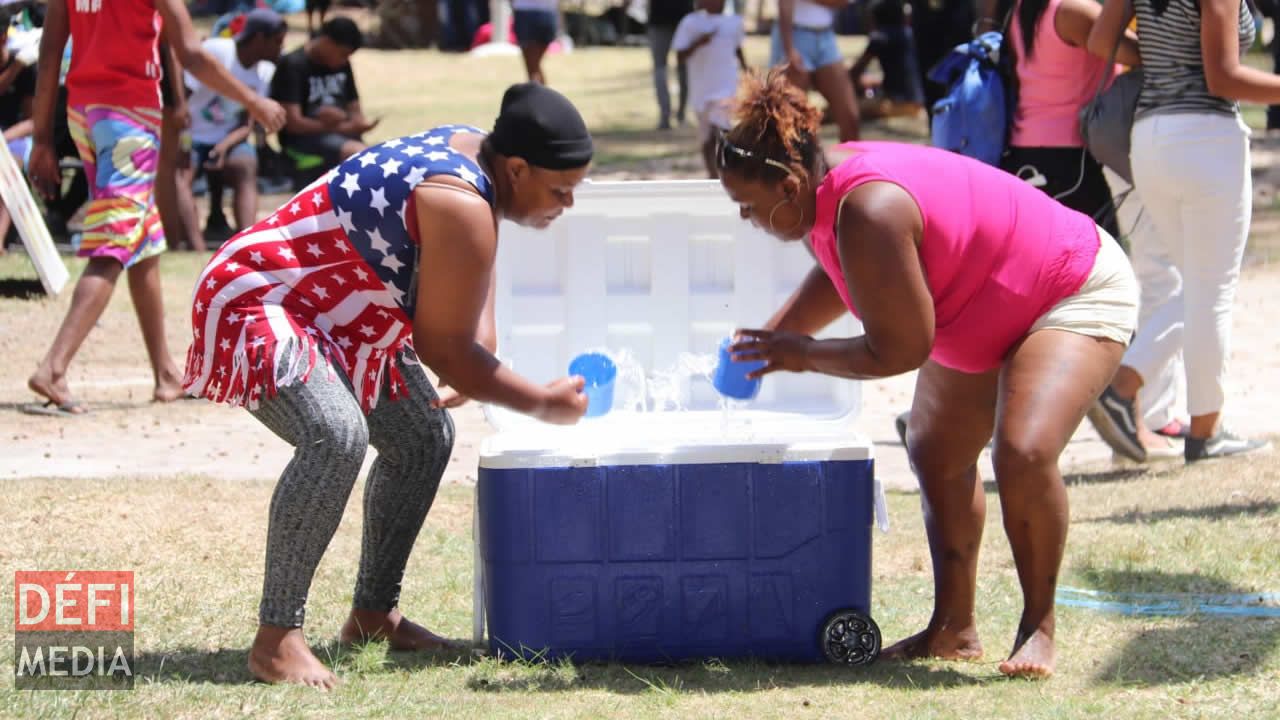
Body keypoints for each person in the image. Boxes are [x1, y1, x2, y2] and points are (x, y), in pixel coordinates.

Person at [719, 70, 1137, 678]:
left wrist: (800, 352)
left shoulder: (869, 208)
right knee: (936, 449)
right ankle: (953, 628)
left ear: (787, 185)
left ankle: (1037, 627)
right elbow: (847, 273)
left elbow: (898, 350)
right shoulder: (826, 193)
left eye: (747, 206)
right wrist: (773, 337)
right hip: (987, 301)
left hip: (1069, 287)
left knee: (1021, 451)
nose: (744, 219)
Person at [183, 83, 593, 689]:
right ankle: (275, 639)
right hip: (262, 297)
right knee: (334, 434)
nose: (568, 203)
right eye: (561, 189)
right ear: (517, 168)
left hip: (340, 312)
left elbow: (475, 269)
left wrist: (480, 356)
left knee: (422, 436)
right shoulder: (460, 198)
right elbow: (442, 345)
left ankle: (373, 614)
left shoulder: (479, 154)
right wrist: (541, 403)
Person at [23, 0, 286, 416]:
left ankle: (166, 374)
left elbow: (51, 51)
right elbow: (192, 54)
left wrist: (41, 139)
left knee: (141, 240)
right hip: (128, 118)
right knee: (113, 241)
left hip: (85, 116)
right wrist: (253, 101)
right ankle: (53, 368)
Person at [1085, 0, 1274, 462]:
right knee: (1211, 291)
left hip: (1149, 139)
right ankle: (1203, 430)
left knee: (1198, 290)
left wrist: (1165, 58)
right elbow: (1223, 78)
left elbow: (1099, 40)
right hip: (1205, 139)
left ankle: (1126, 390)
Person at [994, 0, 1137, 236]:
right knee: (1099, 263)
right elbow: (1138, 53)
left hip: (1024, 151)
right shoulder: (1074, 11)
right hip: (1070, 157)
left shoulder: (1024, 8)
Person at [174, 8, 286, 250]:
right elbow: (182, 102)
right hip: (189, 133)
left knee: (246, 165)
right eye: (277, 42)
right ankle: (196, 246)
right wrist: (182, 141)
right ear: (258, 39)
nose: (281, 48)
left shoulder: (265, 71)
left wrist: (223, 147)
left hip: (228, 138)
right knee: (181, 176)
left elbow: (247, 123)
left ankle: (248, 243)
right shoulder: (218, 51)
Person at [270, 16, 374, 172]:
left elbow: (355, 110)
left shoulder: (343, 65)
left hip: (340, 134)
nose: (344, 60)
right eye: (343, 54)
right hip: (303, 140)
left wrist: (349, 120)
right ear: (327, 41)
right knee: (358, 154)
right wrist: (341, 126)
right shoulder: (293, 65)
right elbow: (292, 124)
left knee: (381, 156)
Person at [673, 0, 746, 177]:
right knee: (707, 137)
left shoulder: (734, 22)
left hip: (726, 86)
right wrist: (698, 43)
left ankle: (727, 172)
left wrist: (747, 69)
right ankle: (712, 175)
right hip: (702, 88)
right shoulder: (690, 23)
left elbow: (737, 49)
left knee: (721, 130)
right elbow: (680, 56)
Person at [773, 0, 860, 141]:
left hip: (826, 36)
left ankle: (850, 163)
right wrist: (788, 48)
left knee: (850, 117)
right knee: (792, 121)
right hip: (794, 35)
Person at [847, 0, 925, 120]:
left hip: (896, 104)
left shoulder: (879, 39)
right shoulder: (909, 35)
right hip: (918, 101)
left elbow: (855, 72)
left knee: (845, 110)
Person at [0, 37, 37, 255]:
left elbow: (33, 121)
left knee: (7, 168)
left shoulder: (26, 68)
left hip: (15, 137)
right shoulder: (18, 66)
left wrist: (4, 139)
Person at [648, 0, 693, 129]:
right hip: (680, 15)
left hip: (665, 17)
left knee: (661, 68)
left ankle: (667, 115)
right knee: (682, 68)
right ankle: (680, 114)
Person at [512, 0, 559, 85]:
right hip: (547, 13)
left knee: (532, 67)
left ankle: (539, 96)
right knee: (534, 66)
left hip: (526, 14)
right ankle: (541, 95)